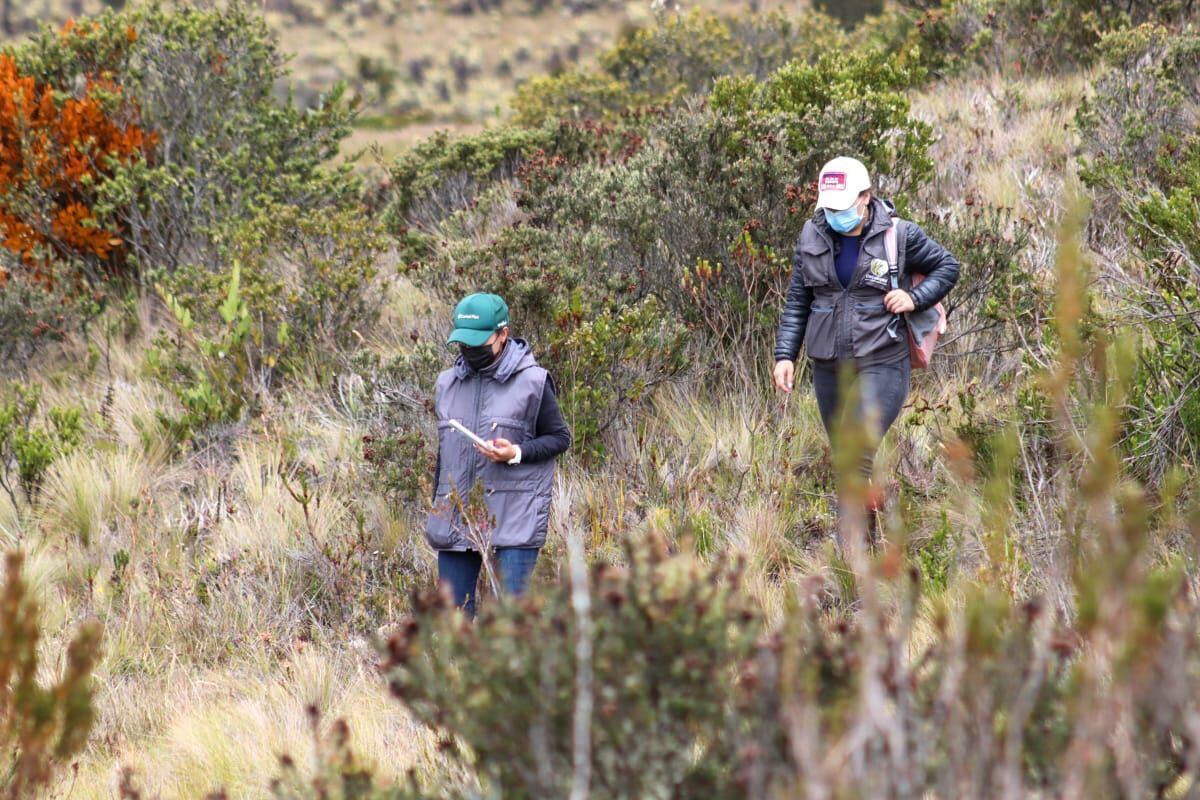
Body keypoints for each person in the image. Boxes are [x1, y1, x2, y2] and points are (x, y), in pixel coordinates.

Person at [772, 156, 959, 521]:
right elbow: (799, 300)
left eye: (843, 207)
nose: (834, 216)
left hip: (882, 360)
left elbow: (947, 267)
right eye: (828, 208)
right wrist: (785, 355)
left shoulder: (898, 235)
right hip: (828, 366)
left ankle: (850, 556)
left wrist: (914, 298)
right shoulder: (811, 236)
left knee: (857, 453)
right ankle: (869, 538)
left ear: (866, 196)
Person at [427, 292, 571, 617]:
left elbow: (559, 438)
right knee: (453, 620)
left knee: (512, 624)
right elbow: (444, 452)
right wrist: (438, 508)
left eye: (479, 342)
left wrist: (516, 452)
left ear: (503, 334)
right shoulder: (446, 384)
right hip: (456, 519)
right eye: (464, 343)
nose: (470, 351)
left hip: (516, 518)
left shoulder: (534, 381)